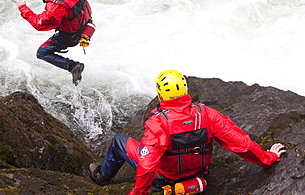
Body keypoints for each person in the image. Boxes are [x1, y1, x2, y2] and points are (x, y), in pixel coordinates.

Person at [88, 70, 286, 195]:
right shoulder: (207, 114)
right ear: (185, 90)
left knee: (119, 141)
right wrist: (268, 158)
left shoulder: (158, 124)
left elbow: (147, 166)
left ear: (160, 94)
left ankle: (102, 176)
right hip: (199, 177)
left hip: (164, 181)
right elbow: (241, 143)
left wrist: (138, 192)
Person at [17, 0, 96, 86]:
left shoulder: (57, 7)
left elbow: (40, 23)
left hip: (70, 36)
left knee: (42, 53)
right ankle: (73, 66)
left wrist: (22, 7)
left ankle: (73, 66)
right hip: (85, 23)